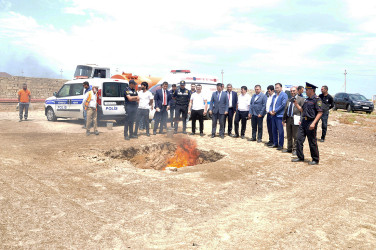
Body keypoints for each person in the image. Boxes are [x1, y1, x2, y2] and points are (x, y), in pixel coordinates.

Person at [292, 82, 323, 165]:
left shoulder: (317, 99)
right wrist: (296, 104)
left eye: (307, 89)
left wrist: (313, 123)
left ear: (311, 90)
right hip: (303, 122)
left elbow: (320, 112)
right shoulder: (307, 99)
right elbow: (302, 110)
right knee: (299, 139)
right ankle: (300, 157)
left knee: (312, 142)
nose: (305, 91)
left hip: (311, 122)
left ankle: (315, 159)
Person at [282, 86, 304, 155]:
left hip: (296, 119)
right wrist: (284, 119)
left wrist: (301, 119)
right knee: (289, 135)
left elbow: (303, 111)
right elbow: (286, 109)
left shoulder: (301, 99)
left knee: (295, 136)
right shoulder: (289, 99)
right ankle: (289, 148)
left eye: (293, 91)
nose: (292, 92)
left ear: (297, 91)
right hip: (289, 119)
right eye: (291, 91)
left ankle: (295, 150)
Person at [269, 83, 288, 150]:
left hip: (279, 115)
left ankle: (280, 145)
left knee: (280, 131)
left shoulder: (284, 95)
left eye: (278, 87)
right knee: (274, 130)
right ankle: (275, 143)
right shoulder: (274, 96)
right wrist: (270, 110)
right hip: (273, 115)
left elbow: (283, 105)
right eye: (276, 88)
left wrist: (275, 111)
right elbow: (271, 104)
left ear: (281, 88)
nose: (276, 89)